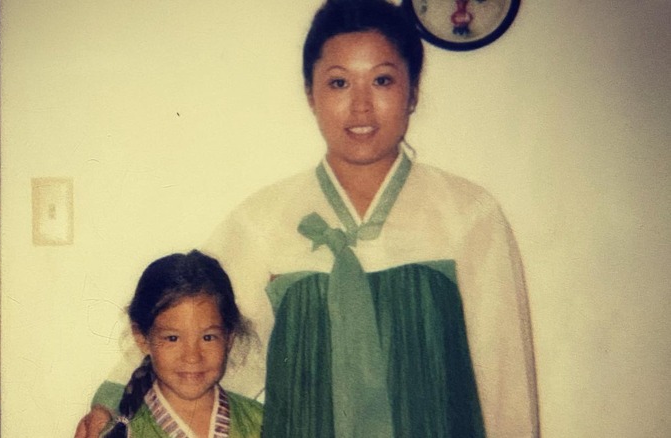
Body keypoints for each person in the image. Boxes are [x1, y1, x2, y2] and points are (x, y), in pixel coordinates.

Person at [81, 0, 539, 436]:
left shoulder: (467, 214)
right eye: (339, 83)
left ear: (412, 91)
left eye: (382, 81)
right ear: (311, 94)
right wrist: (112, 400)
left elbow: (505, 382)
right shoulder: (266, 217)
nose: (360, 106)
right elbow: (186, 317)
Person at [74, 251, 263, 438]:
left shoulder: (263, 422)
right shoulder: (123, 432)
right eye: (172, 338)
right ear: (142, 338)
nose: (192, 356)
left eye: (208, 337)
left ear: (229, 338)